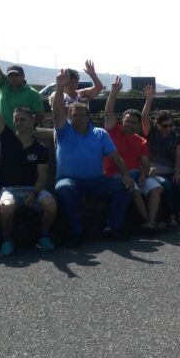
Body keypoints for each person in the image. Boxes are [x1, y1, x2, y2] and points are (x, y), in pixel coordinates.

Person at [50, 69, 134, 242]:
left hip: (97, 180)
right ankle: (77, 231)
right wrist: (59, 86)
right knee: (63, 189)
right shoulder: (63, 131)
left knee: (125, 187)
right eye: (74, 115)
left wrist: (125, 175)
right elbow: (57, 108)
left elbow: (115, 156)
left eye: (82, 115)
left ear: (89, 117)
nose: (78, 118)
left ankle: (113, 226)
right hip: (70, 181)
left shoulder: (100, 133)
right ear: (69, 117)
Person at [0, 75, 56, 255]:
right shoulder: (7, 138)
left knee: (51, 205)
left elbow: (42, 177)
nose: (18, 122)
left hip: (33, 189)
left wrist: (35, 192)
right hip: (9, 190)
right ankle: (7, 240)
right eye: (16, 119)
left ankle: (43, 236)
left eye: (22, 119)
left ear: (32, 121)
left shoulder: (40, 149)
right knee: (7, 207)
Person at [104, 77, 164, 231]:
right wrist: (114, 92)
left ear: (138, 125)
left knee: (156, 188)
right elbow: (108, 112)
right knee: (134, 189)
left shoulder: (141, 141)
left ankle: (151, 222)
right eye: (127, 121)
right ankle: (148, 223)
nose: (130, 124)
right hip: (116, 174)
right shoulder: (113, 131)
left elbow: (145, 163)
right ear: (122, 121)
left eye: (133, 122)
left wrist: (144, 176)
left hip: (137, 173)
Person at [0, 30, 45, 130]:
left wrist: (27, 129)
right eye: (10, 75)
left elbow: (40, 116)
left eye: (16, 75)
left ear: (23, 76)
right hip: (2, 134)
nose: (13, 78)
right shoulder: (4, 85)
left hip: (22, 136)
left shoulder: (32, 94)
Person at [144, 108, 180, 226]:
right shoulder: (152, 134)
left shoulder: (175, 136)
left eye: (170, 125)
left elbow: (178, 156)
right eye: (165, 126)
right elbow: (144, 117)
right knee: (166, 186)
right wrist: (149, 99)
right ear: (157, 125)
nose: (168, 128)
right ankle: (171, 216)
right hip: (155, 171)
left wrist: (177, 172)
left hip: (170, 169)